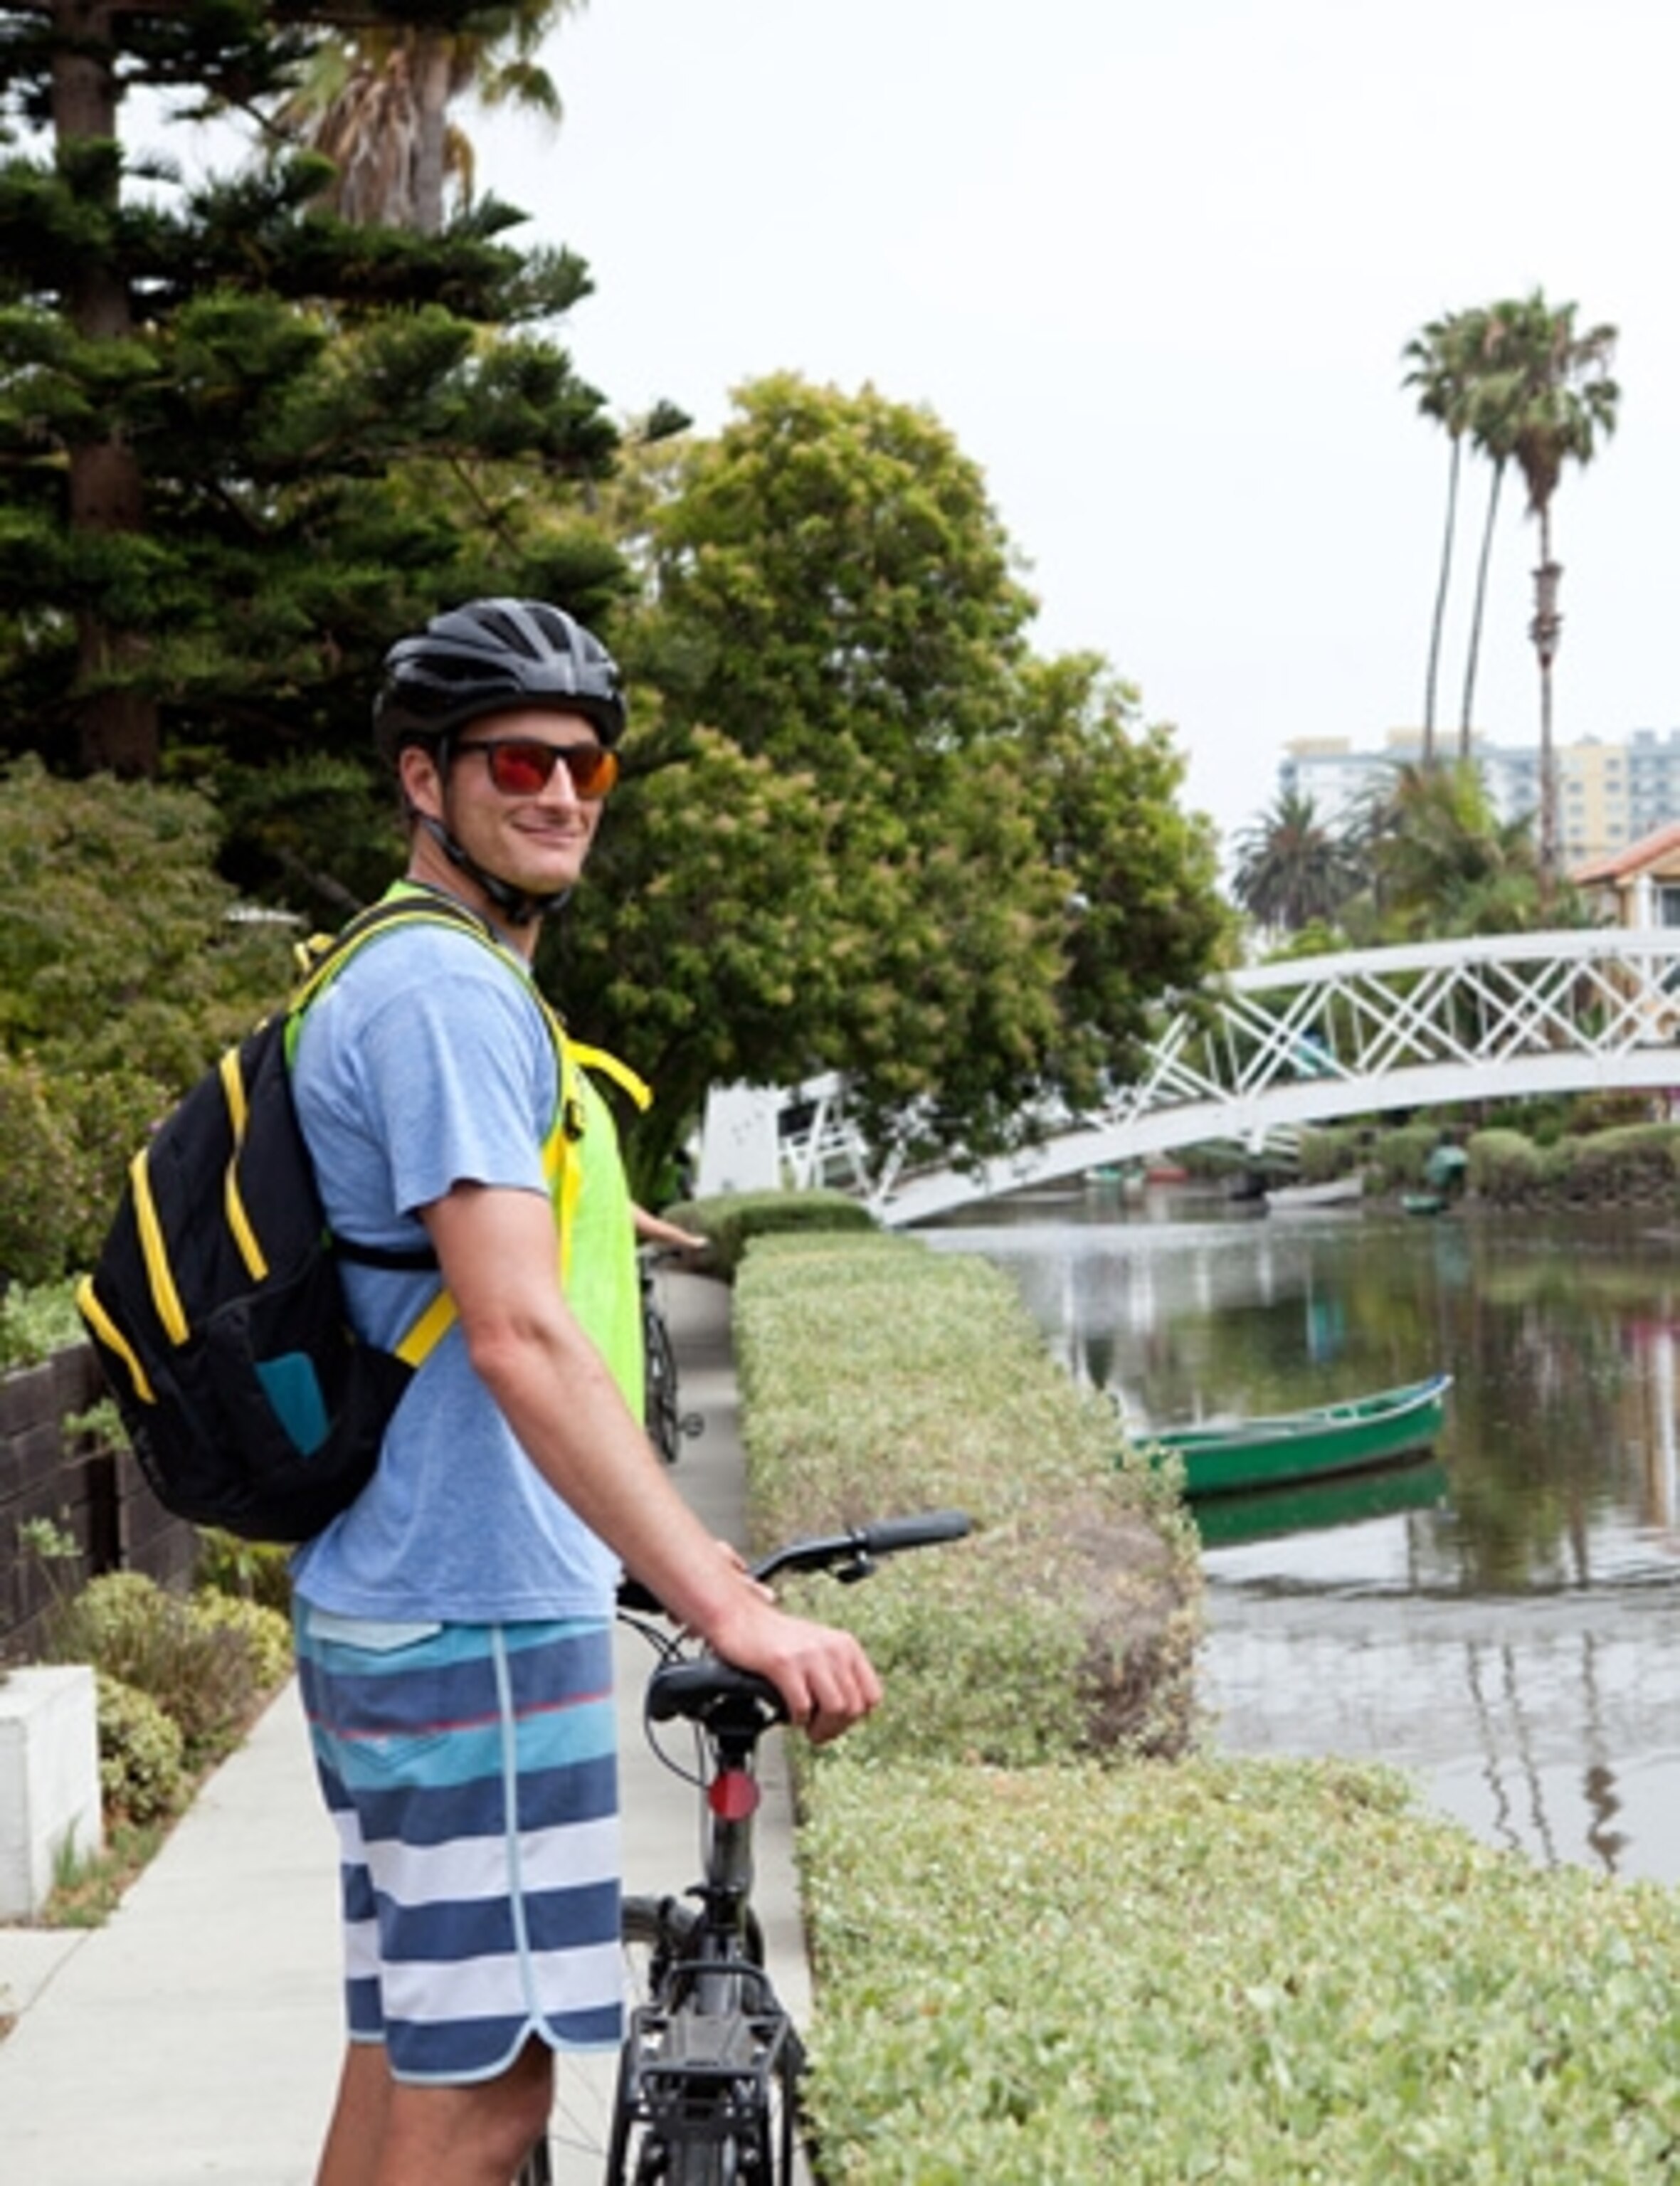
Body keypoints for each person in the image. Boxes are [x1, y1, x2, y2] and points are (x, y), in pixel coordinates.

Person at [287, 598, 880, 2186]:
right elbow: (516, 1338)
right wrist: (726, 1602)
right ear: (426, 778)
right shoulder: (449, 997)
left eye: (588, 762)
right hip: (469, 1607)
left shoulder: (408, 974)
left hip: (409, 1594)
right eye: (517, 760)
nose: (561, 791)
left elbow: (463, 1257)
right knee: (482, 2104)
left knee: (407, 2058)